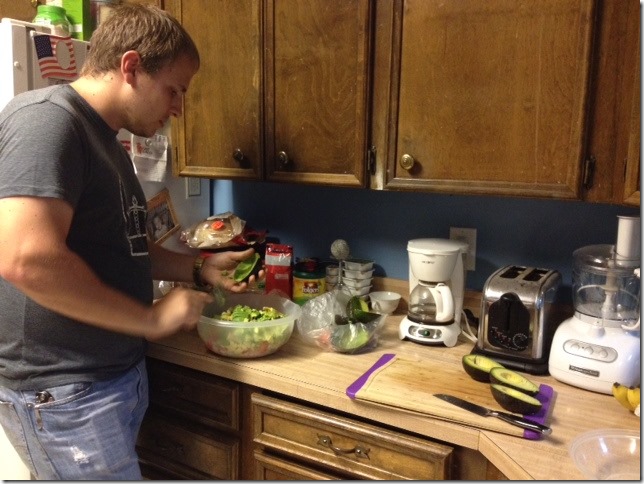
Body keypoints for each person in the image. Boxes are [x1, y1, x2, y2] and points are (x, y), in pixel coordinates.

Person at [0, 4, 262, 480]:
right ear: (131, 67)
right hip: (65, 397)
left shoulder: (106, 140)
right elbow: (26, 259)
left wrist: (198, 269)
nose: (180, 106)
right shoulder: (47, 121)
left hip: (104, 383)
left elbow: (124, 248)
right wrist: (150, 318)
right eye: (175, 89)